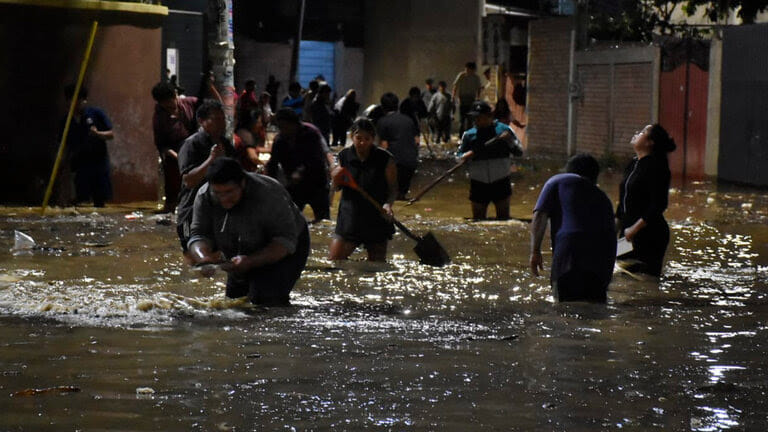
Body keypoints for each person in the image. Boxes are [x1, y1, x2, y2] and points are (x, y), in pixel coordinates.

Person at [188, 157, 309, 306]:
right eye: (218, 193)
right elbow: (199, 235)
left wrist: (251, 261)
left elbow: (285, 242)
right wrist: (204, 258)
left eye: (229, 192)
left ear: (243, 183)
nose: (224, 199)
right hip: (240, 247)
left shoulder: (269, 193)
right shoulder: (204, 196)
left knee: (265, 300)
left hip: (286, 246)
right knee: (234, 304)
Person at [530, 153, 617, 302]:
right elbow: (612, 236)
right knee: (594, 308)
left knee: (564, 310)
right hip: (601, 259)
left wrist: (535, 251)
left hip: (570, 251)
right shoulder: (604, 198)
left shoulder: (556, 181)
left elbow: (539, 216)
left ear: (570, 170)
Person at [329, 118, 397, 262]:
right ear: (351, 137)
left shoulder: (385, 158)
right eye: (358, 138)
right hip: (349, 217)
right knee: (334, 262)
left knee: (376, 267)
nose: (362, 143)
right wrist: (335, 180)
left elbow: (393, 190)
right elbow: (337, 187)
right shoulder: (344, 156)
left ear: (373, 139)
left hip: (376, 217)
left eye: (367, 139)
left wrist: (388, 205)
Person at [176, 100, 236, 255]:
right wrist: (211, 160)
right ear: (201, 121)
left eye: (223, 119)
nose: (222, 124)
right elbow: (188, 181)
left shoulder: (226, 144)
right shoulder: (191, 144)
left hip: (220, 212)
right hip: (192, 212)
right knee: (193, 254)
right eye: (216, 119)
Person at [616, 124, 676, 277]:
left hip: (648, 233)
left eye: (643, 132)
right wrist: (616, 227)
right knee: (620, 272)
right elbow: (624, 198)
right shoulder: (633, 163)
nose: (637, 132)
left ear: (650, 142)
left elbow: (659, 205)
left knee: (644, 278)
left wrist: (634, 229)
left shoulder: (657, 168)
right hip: (627, 233)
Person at [457, 100, 522, 220]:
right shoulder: (469, 135)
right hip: (478, 182)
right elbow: (458, 157)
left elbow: (519, 152)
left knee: (503, 220)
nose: (476, 121)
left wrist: (509, 141)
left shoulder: (504, 130)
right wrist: (464, 156)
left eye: (479, 118)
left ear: (490, 116)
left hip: (501, 180)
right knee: (478, 220)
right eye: (474, 118)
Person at [267, 108, 335, 222]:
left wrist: (300, 171)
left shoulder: (311, 133)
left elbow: (317, 159)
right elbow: (273, 164)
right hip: (294, 186)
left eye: (286, 126)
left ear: (295, 124)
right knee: (289, 219)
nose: (283, 130)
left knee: (323, 221)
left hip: (316, 183)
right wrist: (271, 187)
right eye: (280, 127)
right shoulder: (279, 141)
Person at [61, 84, 115, 207]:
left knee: (99, 197)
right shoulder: (67, 120)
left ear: (84, 100)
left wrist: (98, 134)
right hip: (80, 163)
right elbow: (65, 144)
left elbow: (111, 134)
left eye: (79, 100)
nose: (76, 104)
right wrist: (64, 163)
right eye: (72, 101)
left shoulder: (96, 114)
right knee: (80, 197)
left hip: (98, 160)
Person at [152, 81, 198, 213]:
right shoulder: (159, 117)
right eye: (166, 106)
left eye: (171, 102)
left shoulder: (190, 103)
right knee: (173, 184)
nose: (171, 108)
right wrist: (177, 157)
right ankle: (170, 207)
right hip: (173, 153)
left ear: (175, 95)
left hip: (193, 148)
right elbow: (161, 144)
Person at [377, 92, 420, 200]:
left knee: (388, 196)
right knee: (400, 195)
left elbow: (384, 147)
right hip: (411, 162)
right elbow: (417, 141)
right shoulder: (409, 120)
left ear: (382, 107)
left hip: (395, 163)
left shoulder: (383, 122)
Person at [452, 62, 482, 137]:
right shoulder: (461, 76)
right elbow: (455, 85)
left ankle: (469, 134)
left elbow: (479, 88)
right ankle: (461, 135)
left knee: (470, 119)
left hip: (471, 99)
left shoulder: (476, 78)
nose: (467, 71)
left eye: (469, 69)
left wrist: (478, 98)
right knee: (462, 119)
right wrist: (453, 96)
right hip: (463, 99)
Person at [233, 108, 267, 173]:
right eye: (259, 122)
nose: (261, 125)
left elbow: (254, 149)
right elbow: (253, 157)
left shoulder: (242, 131)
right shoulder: (246, 135)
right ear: (252, 122)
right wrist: (265, 165)